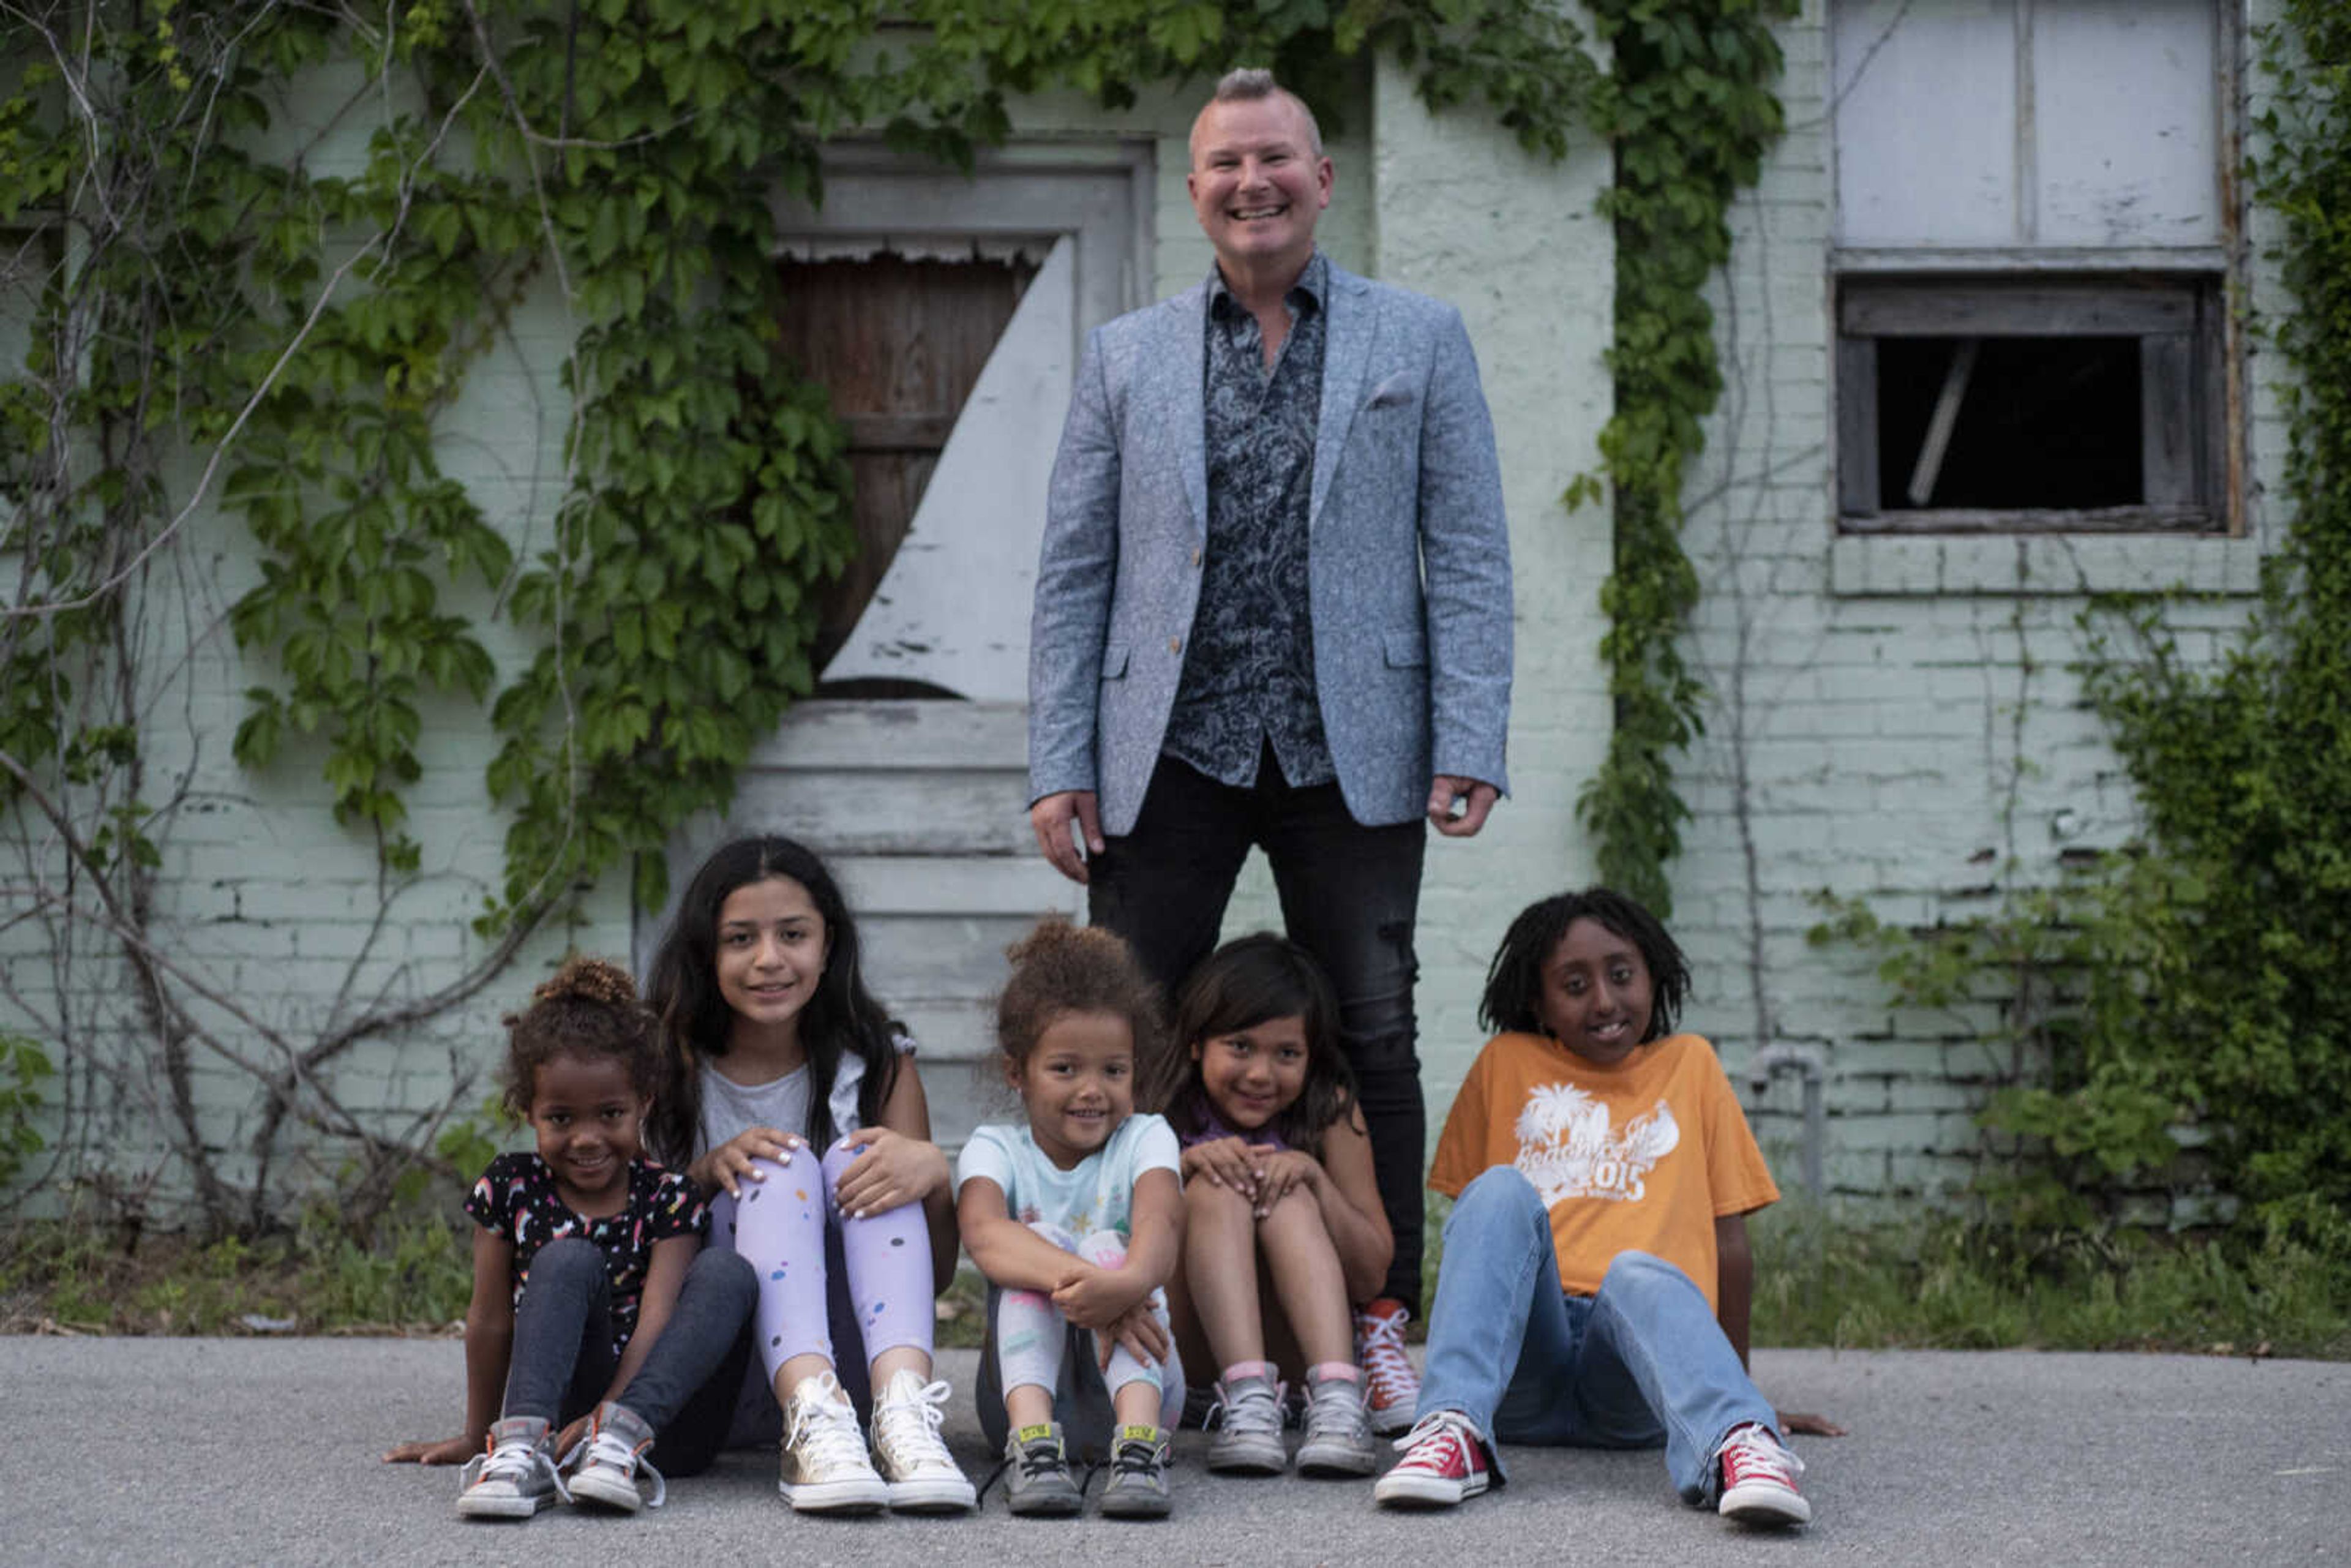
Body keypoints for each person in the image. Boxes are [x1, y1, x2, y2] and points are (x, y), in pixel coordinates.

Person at [1025, 64, 1513, 1436]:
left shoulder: (1419, 338)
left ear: (1323, 179)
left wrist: (1469, 727)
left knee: (1372, 1026)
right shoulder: (1128, 355)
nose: (1254, 183)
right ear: (1195, 192)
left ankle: (1381, 1322)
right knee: (1123, 1033)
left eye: (1277, 160)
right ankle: (1136, 1324)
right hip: (1162, 747)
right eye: (1227, 164)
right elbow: (1076, 572)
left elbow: (1468, 548)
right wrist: (1060, 757)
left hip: (1353, 745)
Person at [1374, 889, 1843, 1525]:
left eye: (1622, 975)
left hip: (1636, 1363)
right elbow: (1480, 1246)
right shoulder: (1504, 1062)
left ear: (1654, 971)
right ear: (1538, 1002)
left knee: (1639, 1272)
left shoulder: (1691, 1064)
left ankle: (1737, 1441)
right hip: (1522, 1363)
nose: (1604, 1000)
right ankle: (1452, 1426)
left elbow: (1727, 1242)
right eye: (1574, 984)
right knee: (1498, 1191)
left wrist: (1743, 1389)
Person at [640, 836, 974, 1515]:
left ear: (829, 945)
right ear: (706, 951)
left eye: (793, 933)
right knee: (775, 1160)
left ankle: (907, 1419)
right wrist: (702, 1176)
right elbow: (625, 1243)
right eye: (741, 937)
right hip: (711, 1380)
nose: (770, 958)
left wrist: (935, 1175)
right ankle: (807, 1419)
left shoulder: (877, 1062)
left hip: (860, 1389)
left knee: (869, 1159)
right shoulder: (663, 1066)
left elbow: (931, 1277)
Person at [384, 958, 757, 1520]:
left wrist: (612, 1414)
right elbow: (488, 1318)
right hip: (558, 1430)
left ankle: (615, 1442)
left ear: (644, 1104)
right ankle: (518, 1452)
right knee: (567, 1258)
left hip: (663, 1426)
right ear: (528, 1112)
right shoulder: (510, 1186)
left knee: (729, 1272)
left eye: (610, 1113)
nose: (587, 1138)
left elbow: (658, 1316)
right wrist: (476, 1433)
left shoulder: (669, 1195)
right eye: (560, 1118)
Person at [955, 920, 1186, 1519]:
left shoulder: (1146, 1136)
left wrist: (1129, 1282)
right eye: (1065, 1068)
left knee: (1117, 1242)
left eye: (1114, 1069)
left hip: (1146, 1388)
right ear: (1017, 1072)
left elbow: (1161, 1228)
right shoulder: (994, 1147)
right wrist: (1101, 1288)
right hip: (1023, 1395)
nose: (1093, 1090)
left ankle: (1141, 1450)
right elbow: (985, 1234)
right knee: (1038, 1246)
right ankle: (1032, 1449)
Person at [1143, 933, 1389, 1478]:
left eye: (1287, 1054)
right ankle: (1247, 1400)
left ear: (1311, 1057)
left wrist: (1317, 1180)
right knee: (1216, 1182)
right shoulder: (1159, 1114)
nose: (1260, 1074)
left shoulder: (1329, 1109)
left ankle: (1339, 1398)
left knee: (1289, 1188)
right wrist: (1182, 1169)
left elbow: (1372, 1273)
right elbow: (1113, 1244)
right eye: (1240, 1046)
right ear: (1196, 1043)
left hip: (1301, 1370)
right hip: (1187, 1360)